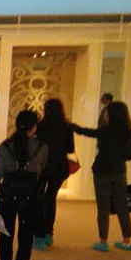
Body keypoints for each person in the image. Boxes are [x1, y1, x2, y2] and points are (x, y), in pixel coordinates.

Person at [0, 110, 48, 260]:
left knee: (6, 232)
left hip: (8, 193)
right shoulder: (42, 148)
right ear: (33, 127)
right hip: (30, 195)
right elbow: (41, 170)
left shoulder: (4, 147)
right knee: (26, 236)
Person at [72, 101, 131, 251]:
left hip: (102, 171)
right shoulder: (130, 132)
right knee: (122, 206)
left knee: (103, 207)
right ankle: (126, 240)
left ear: (111, 115)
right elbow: (130, 156)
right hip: (119, 171)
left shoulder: (105, 131)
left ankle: (103, 241)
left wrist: (72, 126)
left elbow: (86, 132)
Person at [33, 99, 75, 250]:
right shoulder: (67, 127)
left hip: (42, 167)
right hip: (59, 168)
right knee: (50, 198)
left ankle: (38, 235)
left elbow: (34, 146)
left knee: (38, 199)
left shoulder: (40, 126)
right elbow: (70, 149)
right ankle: (48, 232)